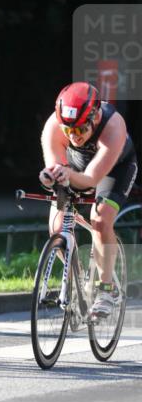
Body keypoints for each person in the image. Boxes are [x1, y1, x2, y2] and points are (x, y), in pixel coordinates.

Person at [39, 82, 137, 319]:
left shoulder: (113, 126)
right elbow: (55, 169)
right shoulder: (54, 125)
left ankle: (106, 290)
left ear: (95, 117)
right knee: (57, 227)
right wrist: (50, 176)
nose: (74, 136)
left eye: (81, 129)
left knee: (100, 220)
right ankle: (77, 275)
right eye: (68, 131)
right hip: (75, 166)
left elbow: (90, 179)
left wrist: (67, 175)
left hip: (115, 169)